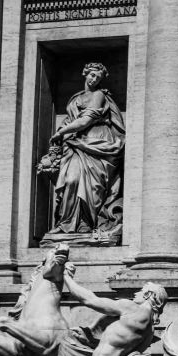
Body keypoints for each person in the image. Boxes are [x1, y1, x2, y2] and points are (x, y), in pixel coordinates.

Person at [42, 62, 125, 243]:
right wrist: (63, 131)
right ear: (85, 73)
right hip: (75, 144)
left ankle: (85, 224)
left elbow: (85, 120)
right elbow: (72, 120)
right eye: (92, 75)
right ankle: (66, 224)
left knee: (91, 186)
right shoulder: (76, 98)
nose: (94, 79)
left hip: (96, 143)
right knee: (70, 181)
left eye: (98, 77)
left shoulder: (99, 95)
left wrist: (60, 132)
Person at [61, 273, 167, 356]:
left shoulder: (132, 308)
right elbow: (119, 347)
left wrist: (66, 277)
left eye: (140, 291)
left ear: (148, 295)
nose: (135, 293)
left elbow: (89, 300)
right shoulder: (150, 331)